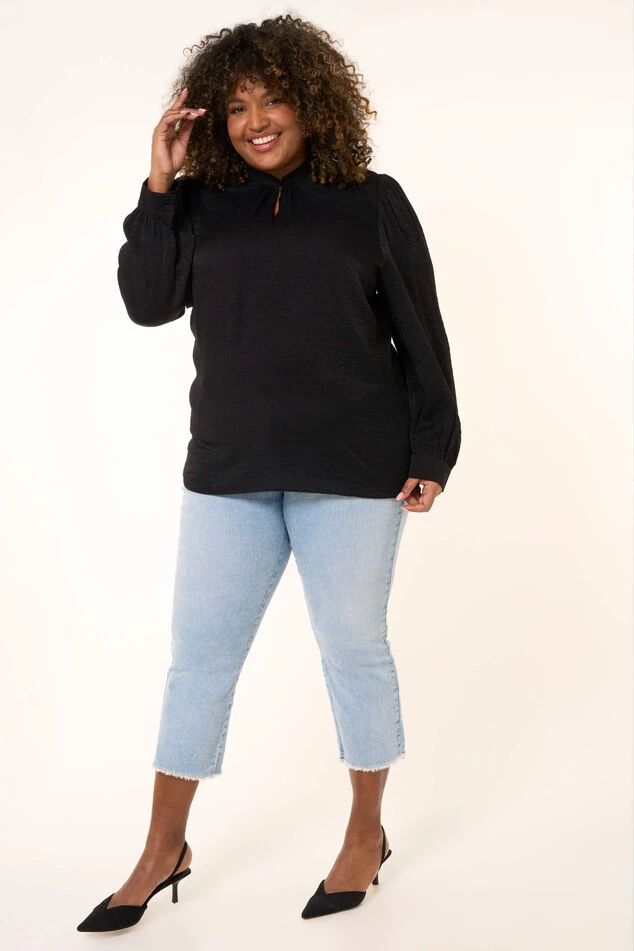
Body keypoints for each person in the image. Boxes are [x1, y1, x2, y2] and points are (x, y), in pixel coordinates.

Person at [77, 14, 461, 933]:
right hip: (230, 468)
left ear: (312, 102)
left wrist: (432, 450)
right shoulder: (197, 203)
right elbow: (146, 303)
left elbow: (422, 331)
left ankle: (365, 834)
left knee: (353, 650)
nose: (256, 121)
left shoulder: (370, 200)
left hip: (354, 469)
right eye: (238, 105)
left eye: (274, 99)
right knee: (198, 662)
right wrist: (160, 182)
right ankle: (163, 847)